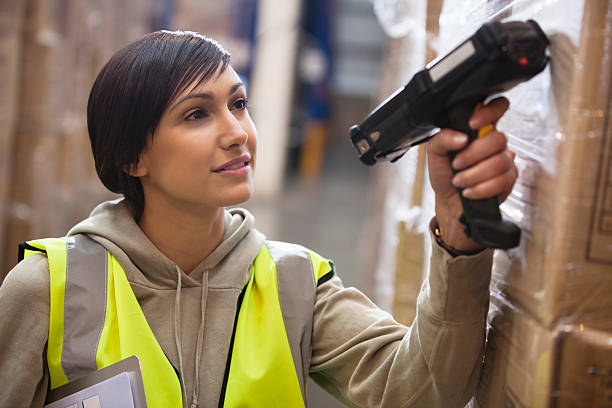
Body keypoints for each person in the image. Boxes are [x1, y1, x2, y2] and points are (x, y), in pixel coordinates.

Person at [0, 30, 518, 408]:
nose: (237, 132)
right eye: (197, 114)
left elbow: (424, 392)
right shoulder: (49, 290)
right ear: (133, 159)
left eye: (239, 104)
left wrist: (458, 235)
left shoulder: (295, 284)